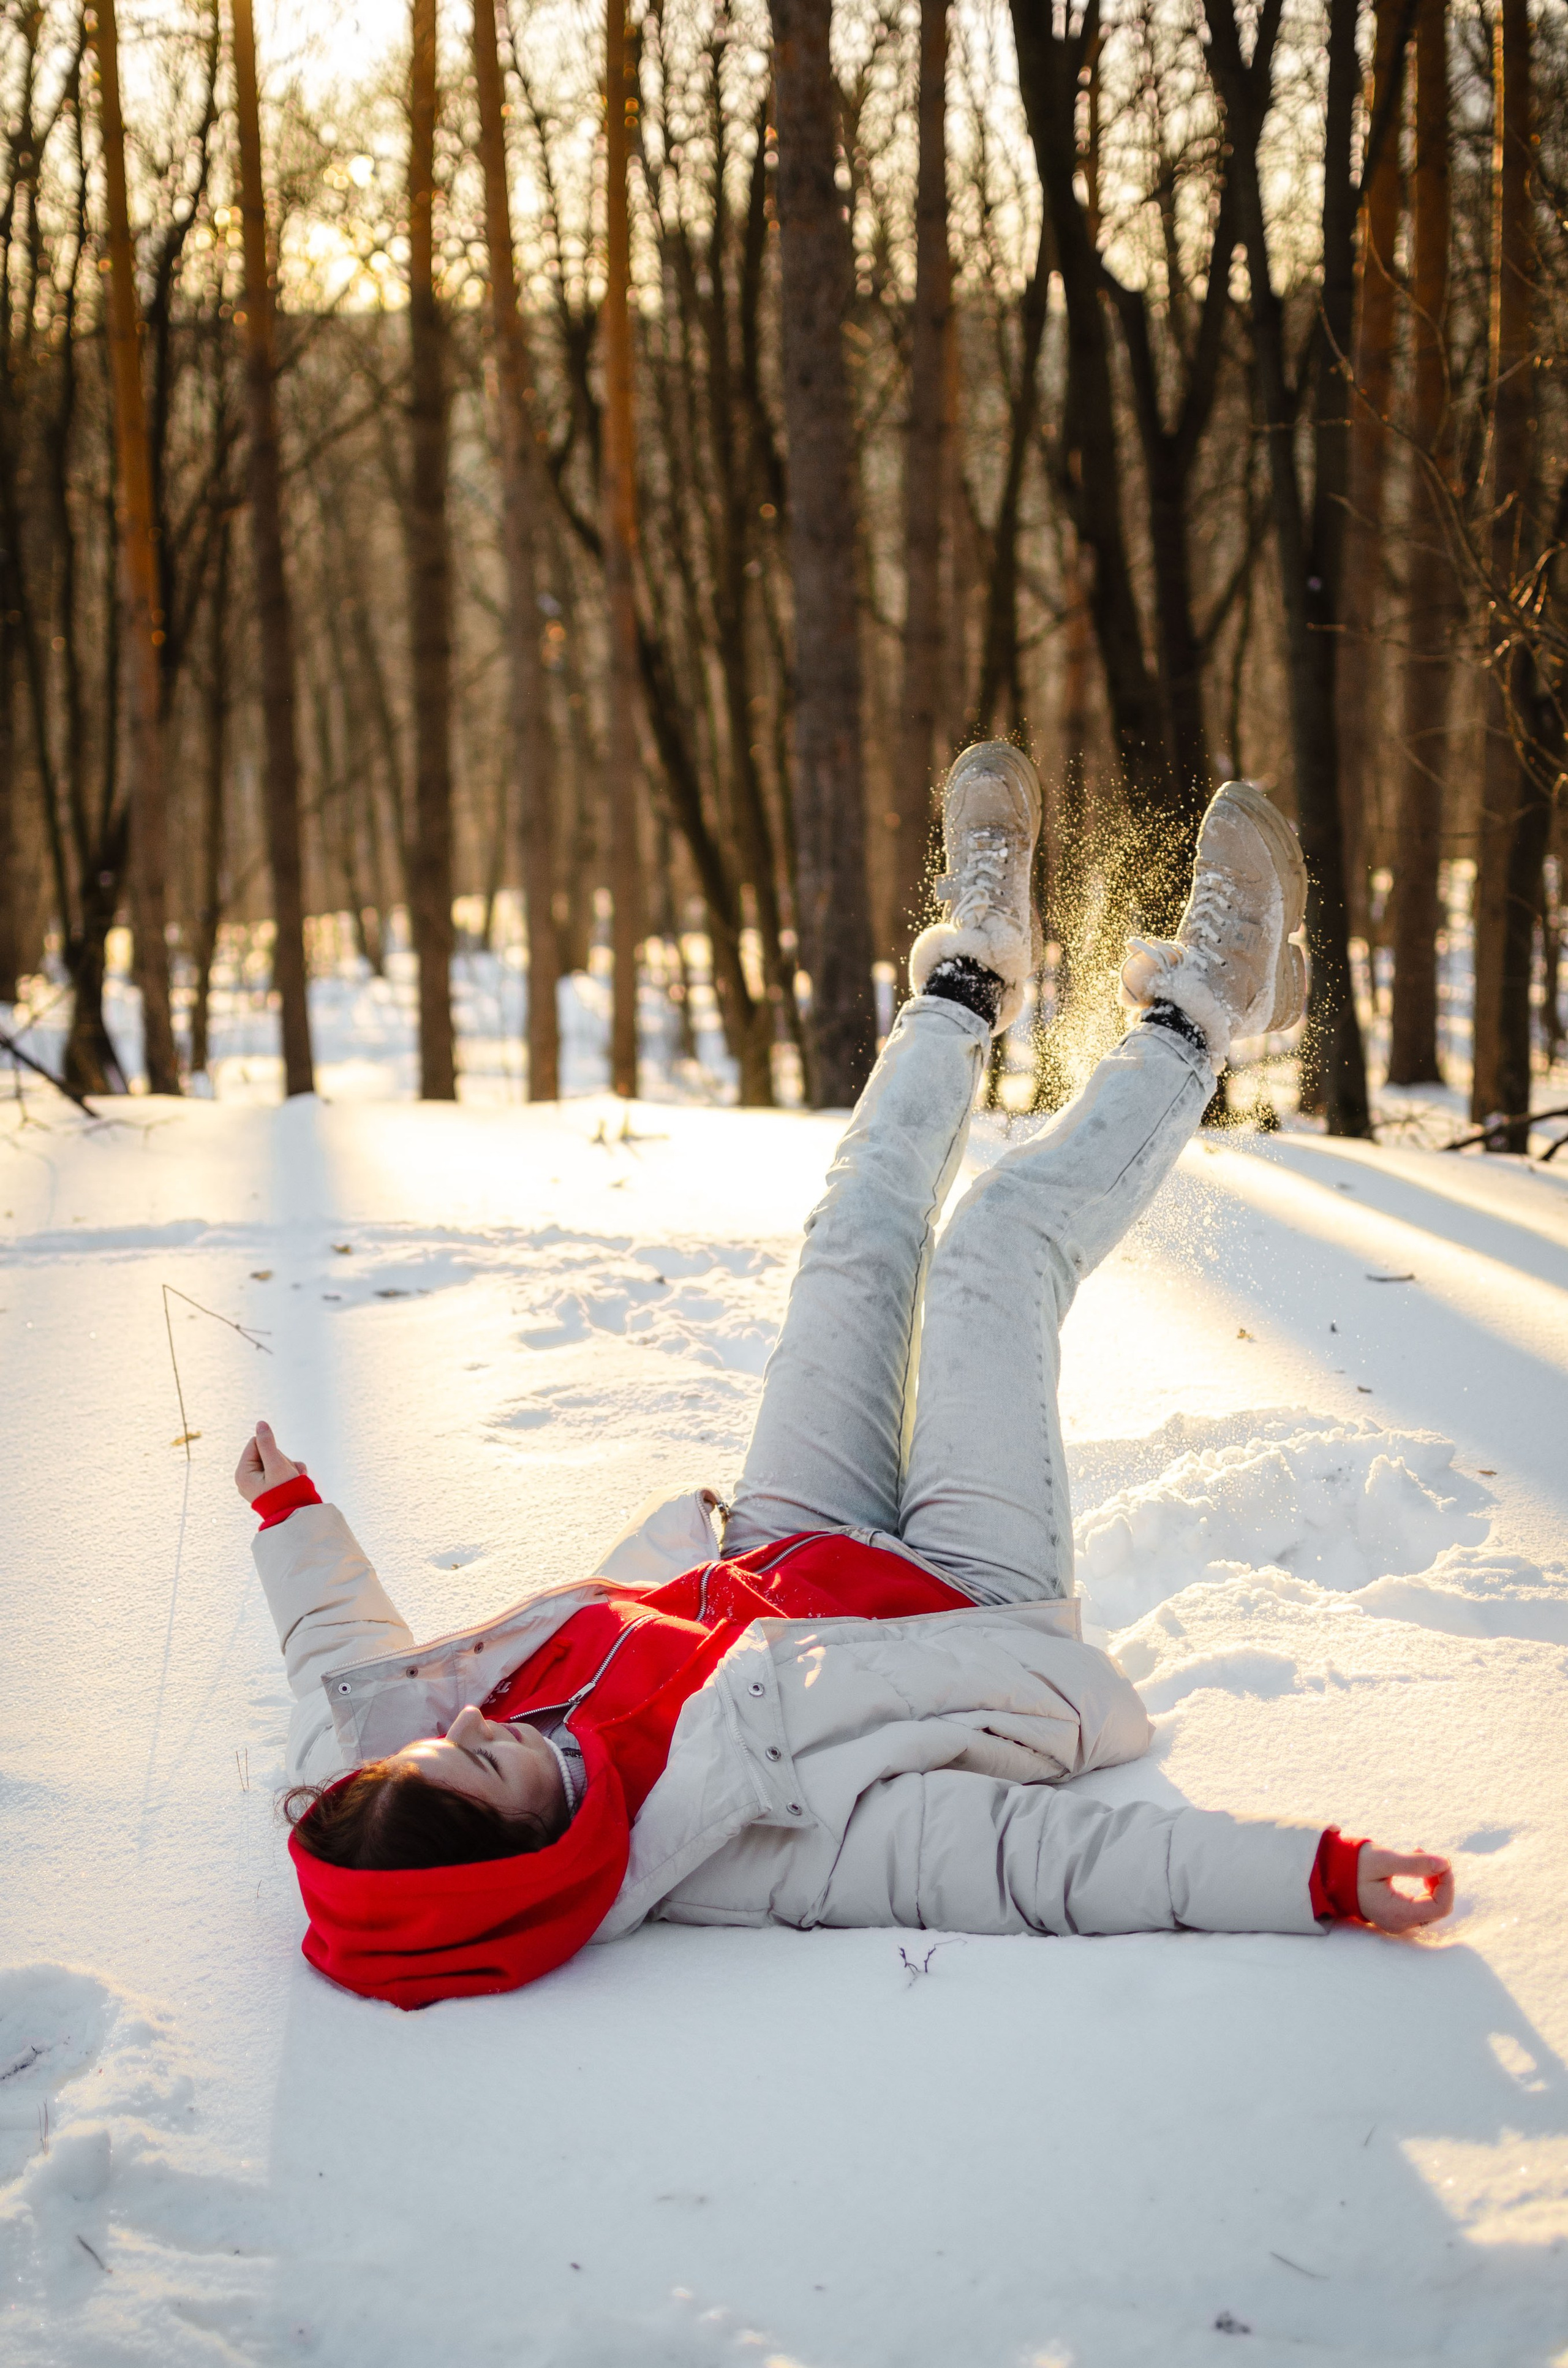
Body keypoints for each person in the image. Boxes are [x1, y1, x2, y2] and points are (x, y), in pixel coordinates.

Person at [241, 747, 1453, 2008]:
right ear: (534, 1857)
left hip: (783, 1544)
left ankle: (973, 961)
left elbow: (338, 1668)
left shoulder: (395, 1766)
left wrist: (290, 1521)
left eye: (452, 1741)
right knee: (995, 1247)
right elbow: (1032, 1863)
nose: (488, 1724)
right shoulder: (753, 1851)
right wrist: (1318, 1874)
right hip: (963, 1608)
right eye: (485, 1768)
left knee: (856, 1231)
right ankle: (1207, 1005)